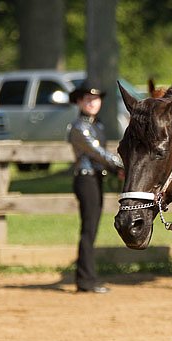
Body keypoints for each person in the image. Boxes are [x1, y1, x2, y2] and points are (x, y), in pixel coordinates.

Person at [67, 80, 124, 294]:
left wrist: (114, 169)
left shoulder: (97, 125)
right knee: (88, 230)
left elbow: (100, 158)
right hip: (86, 179)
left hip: (95, 178)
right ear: (79, 102)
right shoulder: (79, 127)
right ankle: (85, 280)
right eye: (87, 99)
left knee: (91, 229)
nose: (92, 102)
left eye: (95, 98)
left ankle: (88, 277)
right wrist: (122, 164)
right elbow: (97, 153)